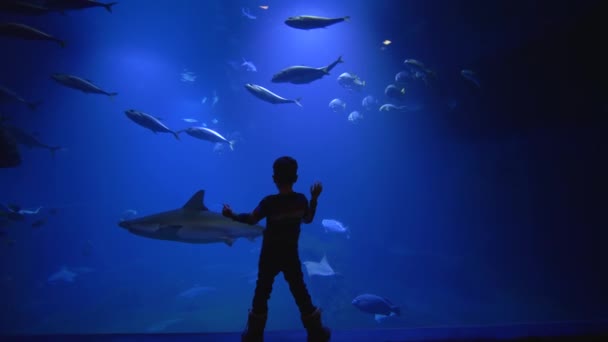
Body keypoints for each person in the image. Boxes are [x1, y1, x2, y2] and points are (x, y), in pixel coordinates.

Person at [222, 156, 331, 342]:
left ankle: (254, 335)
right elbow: (308, 219)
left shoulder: (268, 202)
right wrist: (314, 198)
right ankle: (316, 333)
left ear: (274, 179)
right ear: (295, 178)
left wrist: (231, 214)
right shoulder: (301, 200)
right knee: (300, 292)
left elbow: (251, 219)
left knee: (262, 292)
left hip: (269, 255)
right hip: (290, 255)